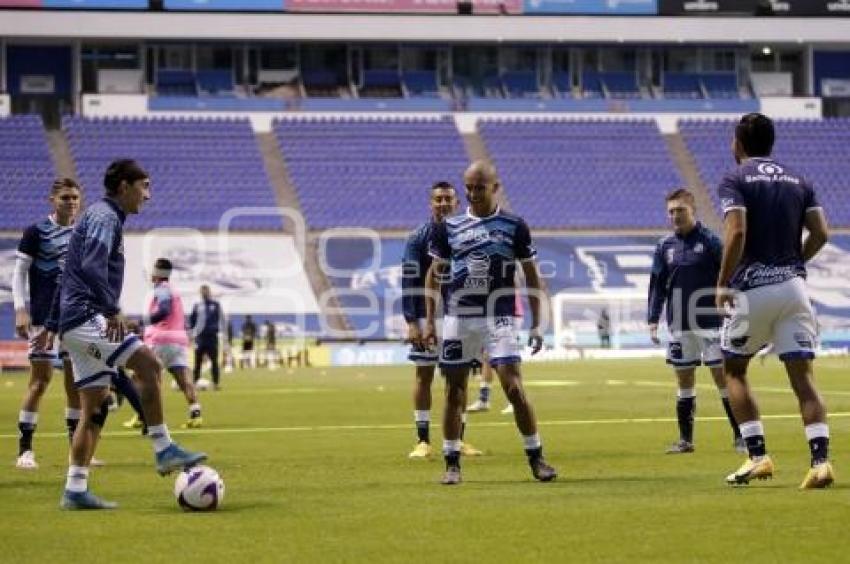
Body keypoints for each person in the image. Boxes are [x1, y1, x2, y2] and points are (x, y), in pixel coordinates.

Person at [36, 159, 206, 510]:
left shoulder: (100, 217)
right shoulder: (104, 216)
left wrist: (53, 326)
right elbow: (91, 265)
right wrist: (111, 308)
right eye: (144, 186)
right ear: (124, 187)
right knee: (148, 364)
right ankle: (163, 448)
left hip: (72, 322)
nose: (148, 194)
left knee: (94, 409)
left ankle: (75, 489)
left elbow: (68, 273)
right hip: (87, 315)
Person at [716, 113, 833, 488]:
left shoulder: (735, 178)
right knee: (803, 379)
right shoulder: (800, 179)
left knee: (733, 368)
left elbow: (736, 233)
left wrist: (722, 282)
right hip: (795, 289)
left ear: (738, 144)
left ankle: (757, 456)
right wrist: (796, 262)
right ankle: (820, 462)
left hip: (754, 289)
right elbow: (821, 233)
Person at [422, 161, 556, 485]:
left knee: (513, 386)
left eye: (479, 187)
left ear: (495, 187)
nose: (471, 193)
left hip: (501, 316)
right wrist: (429, 322)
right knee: (454, 390)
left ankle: (536, 457)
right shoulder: (449, 227)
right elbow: (434, 275)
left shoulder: (514, 226)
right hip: (458, 318)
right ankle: (452, 463)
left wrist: (538, 324)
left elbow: (532, 276)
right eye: (467, 187)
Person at [648, 188, 743, 455]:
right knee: (684, 380)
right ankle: (685, 440)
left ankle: (740, 436)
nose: (675, 216)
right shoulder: (664, 246)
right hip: (679, 324)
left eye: (680, 210)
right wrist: (653, 318)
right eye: (671, 211)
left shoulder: (711, 241)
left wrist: (732, 304)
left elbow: (730, 274)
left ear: (693, 210)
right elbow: (657, 284)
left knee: (722, 377)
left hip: (711, 322)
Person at [403, 181, 481, 460]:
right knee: (424, 375)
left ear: (457, 203)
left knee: (458, 380)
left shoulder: (469, 234)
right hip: (429, 317)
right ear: (431, 203)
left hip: (461, 317)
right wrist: (413, 322)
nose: (443, 203)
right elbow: (410, 279)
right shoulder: (418, 237)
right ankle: (422, 440)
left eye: (448, 199)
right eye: (438, 199)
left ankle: (458, 440)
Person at [12, 179, 82, 469]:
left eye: (75, 198)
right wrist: (20, 310)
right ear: (52, 200)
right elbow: (18, 274)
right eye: (65, 197)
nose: (71, 202)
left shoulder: (84, 233)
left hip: (76, 319)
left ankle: (76, 451)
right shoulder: (36, 231)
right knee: (39, 382)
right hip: (43, 320)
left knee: (75, 385)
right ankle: (25, 450)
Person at [124, 258, 202, 430]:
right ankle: (196, 413)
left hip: (160, 339)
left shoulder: (161, 290)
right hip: (178, 339)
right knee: (183, 379)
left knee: (141, 378)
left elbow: (164, 310)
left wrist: (141, 322)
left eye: (154, 270)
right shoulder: (174, 291)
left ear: (158, 273)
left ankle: (142, 415)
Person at [189, 284, 225, 390]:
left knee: (214, 361)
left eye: (206, 291)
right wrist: (193, 333)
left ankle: (215, 383)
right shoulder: (197, 305)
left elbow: (221, 319)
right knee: (197, 361)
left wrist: (220, 332)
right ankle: (195, 383)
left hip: (212, 337)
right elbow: (192, 320)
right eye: (202, 291)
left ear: (209, 292)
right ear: (200, 293)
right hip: (200, 338)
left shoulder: (215, 305)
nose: (204, 293)